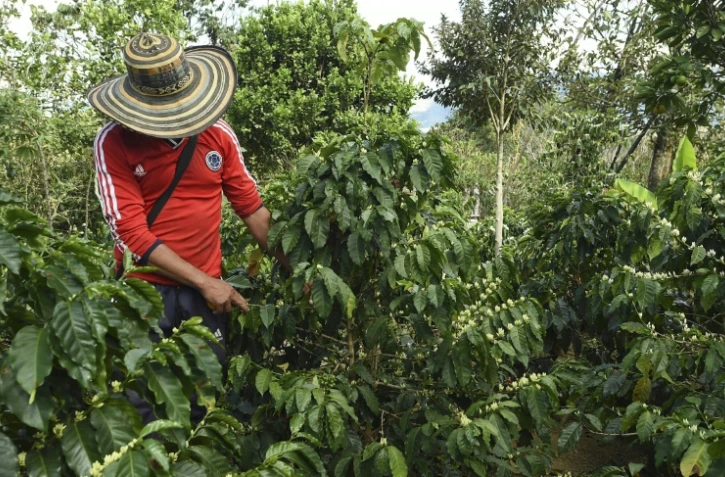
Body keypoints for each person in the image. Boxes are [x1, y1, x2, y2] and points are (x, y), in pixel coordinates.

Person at [88, 32, 288, 423]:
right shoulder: (114, 141)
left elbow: (252, 210)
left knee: (202, 407)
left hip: (203, 298)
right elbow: (130, 233)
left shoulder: (218, 134)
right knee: (139, 406)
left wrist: (296, 268)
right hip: (144, 295)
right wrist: (204, 281)